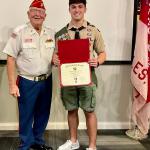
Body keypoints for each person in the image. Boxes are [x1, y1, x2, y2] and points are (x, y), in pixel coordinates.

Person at [52, 0, 106, 150]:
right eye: (73, 7)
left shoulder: (93, 31)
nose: (77, 10)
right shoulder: (61, 33)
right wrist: (54, 59)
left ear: (85, 9)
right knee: (72, 109)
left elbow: (102, 53)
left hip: (87, 78)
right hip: (68, 79)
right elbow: (55, 55)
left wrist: (98, 61)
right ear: (69, 9)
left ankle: (92, 146)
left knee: (89, 111)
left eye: (80, 6)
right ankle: (73, 141)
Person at [3, 0, 55, 150]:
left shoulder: (51, 32)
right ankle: (25, 145)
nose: (37, 14)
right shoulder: (19, 32)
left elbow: (53, 56)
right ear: (28, 14)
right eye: (34, 11)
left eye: (40, 12)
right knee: (26, 115)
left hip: (47, 80)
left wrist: (56, 59)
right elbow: (11, 58)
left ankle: (38, 142)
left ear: (45, 15)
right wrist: (12, 84)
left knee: (43, 113)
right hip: (27, 81)